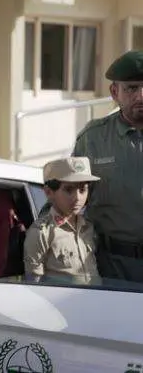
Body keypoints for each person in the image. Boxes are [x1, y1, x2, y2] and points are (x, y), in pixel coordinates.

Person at [71, 50, 143, 282]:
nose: (141, 95)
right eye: (132, 88)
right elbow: (67, 194)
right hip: (113, 266)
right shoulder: (93, 139)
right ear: (115, 92)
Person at [23, 157, 100, 285]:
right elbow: (34, 284)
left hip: (99, 301)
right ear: (48, 192)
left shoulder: (88, 227)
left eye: (82, 190)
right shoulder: (42, 233)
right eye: (69, 190)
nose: (77, 198)